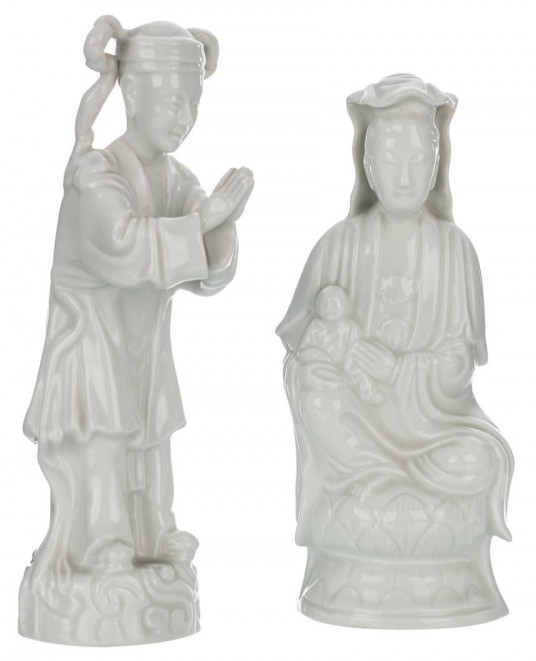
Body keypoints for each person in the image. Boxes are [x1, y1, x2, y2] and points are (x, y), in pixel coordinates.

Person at [20, 16, 253, 644]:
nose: (185, 116)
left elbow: (209, 270)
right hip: (91, 341)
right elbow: (120, 249)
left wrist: (220, 228)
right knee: (103, 440)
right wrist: (203, 222)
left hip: (145, 345)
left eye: (193, 103)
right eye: (173, 100)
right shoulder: (95, 174)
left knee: (151, 441)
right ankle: (102, 545)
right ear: (131, 93)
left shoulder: (177, 180)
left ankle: (153, 534)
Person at [278, 74, 513, 627]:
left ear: (436, 165)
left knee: (480, 461)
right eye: (390, 159)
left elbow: (459, 364)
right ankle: (369, 481)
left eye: (418, 160)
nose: (405, 176)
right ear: (367, 164)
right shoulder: (338, 244)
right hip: (355, 440)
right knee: (310, 385)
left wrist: (401, 370)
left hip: (432, 428)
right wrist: (335, 360)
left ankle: (380, 497)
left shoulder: (455, 250)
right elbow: (299, 345)